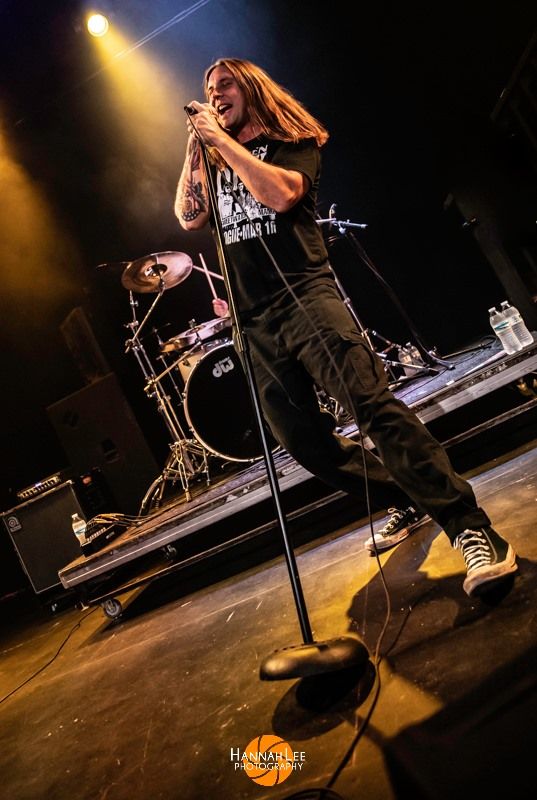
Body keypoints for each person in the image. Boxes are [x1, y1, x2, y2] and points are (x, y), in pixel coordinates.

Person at [174, 57, 518, 597]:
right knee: (303, 441)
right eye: (208, 90)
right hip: (252, 320)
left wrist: (221, 142)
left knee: (372, 407)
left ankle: (470, 527)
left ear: (252, 89)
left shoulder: (293, 141)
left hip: (305, 299)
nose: (215, 96)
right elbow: (188, 216)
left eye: (225, 86)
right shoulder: (213, 157)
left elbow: (281, 195)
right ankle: (406, 496)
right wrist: (197, 146)